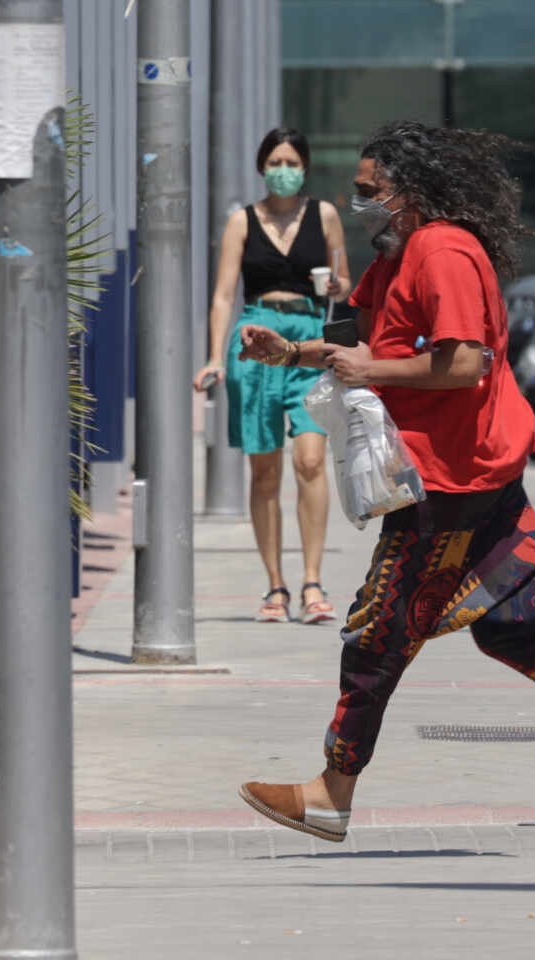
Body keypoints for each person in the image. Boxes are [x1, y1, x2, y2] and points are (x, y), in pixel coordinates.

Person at [233, 120, 535, 841]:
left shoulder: (443, 251)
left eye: (370, 191)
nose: (360, 203)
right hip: (476, 473)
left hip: (450, 483)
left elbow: (463, 362)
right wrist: (291, 352)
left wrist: (371, 372)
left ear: (411, 191)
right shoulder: (402, 251)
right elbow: (362, 339)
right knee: (524, 622)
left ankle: (330, 792)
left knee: (377, 633)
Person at [194, 127, 351, 624]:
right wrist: (214, 356)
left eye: (292, 160)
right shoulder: (241, 221)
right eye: (275, 160)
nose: (284, 168)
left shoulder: (324, 215)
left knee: (310, 459)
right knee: (264, 470)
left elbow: (344, 284)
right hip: (255, 339)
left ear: (304, 166)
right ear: (262, 167)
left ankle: (311, 581)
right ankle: (275, 587)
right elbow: (223, 294)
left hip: (307, 338)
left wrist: (337, 284)